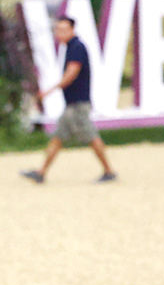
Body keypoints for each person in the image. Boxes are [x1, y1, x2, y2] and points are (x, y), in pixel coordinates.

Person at [21, 17, 116, 184]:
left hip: (78, 104)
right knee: (58, 138)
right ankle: (41, 173)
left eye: (63, 30)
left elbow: (71, 74)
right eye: (58, 30)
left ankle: (109, 171)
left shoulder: (77, 48)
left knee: (91, 137)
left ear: (72, 30)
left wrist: (49, 91)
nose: (59, 33)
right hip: (73, 104)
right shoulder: (71, 47)